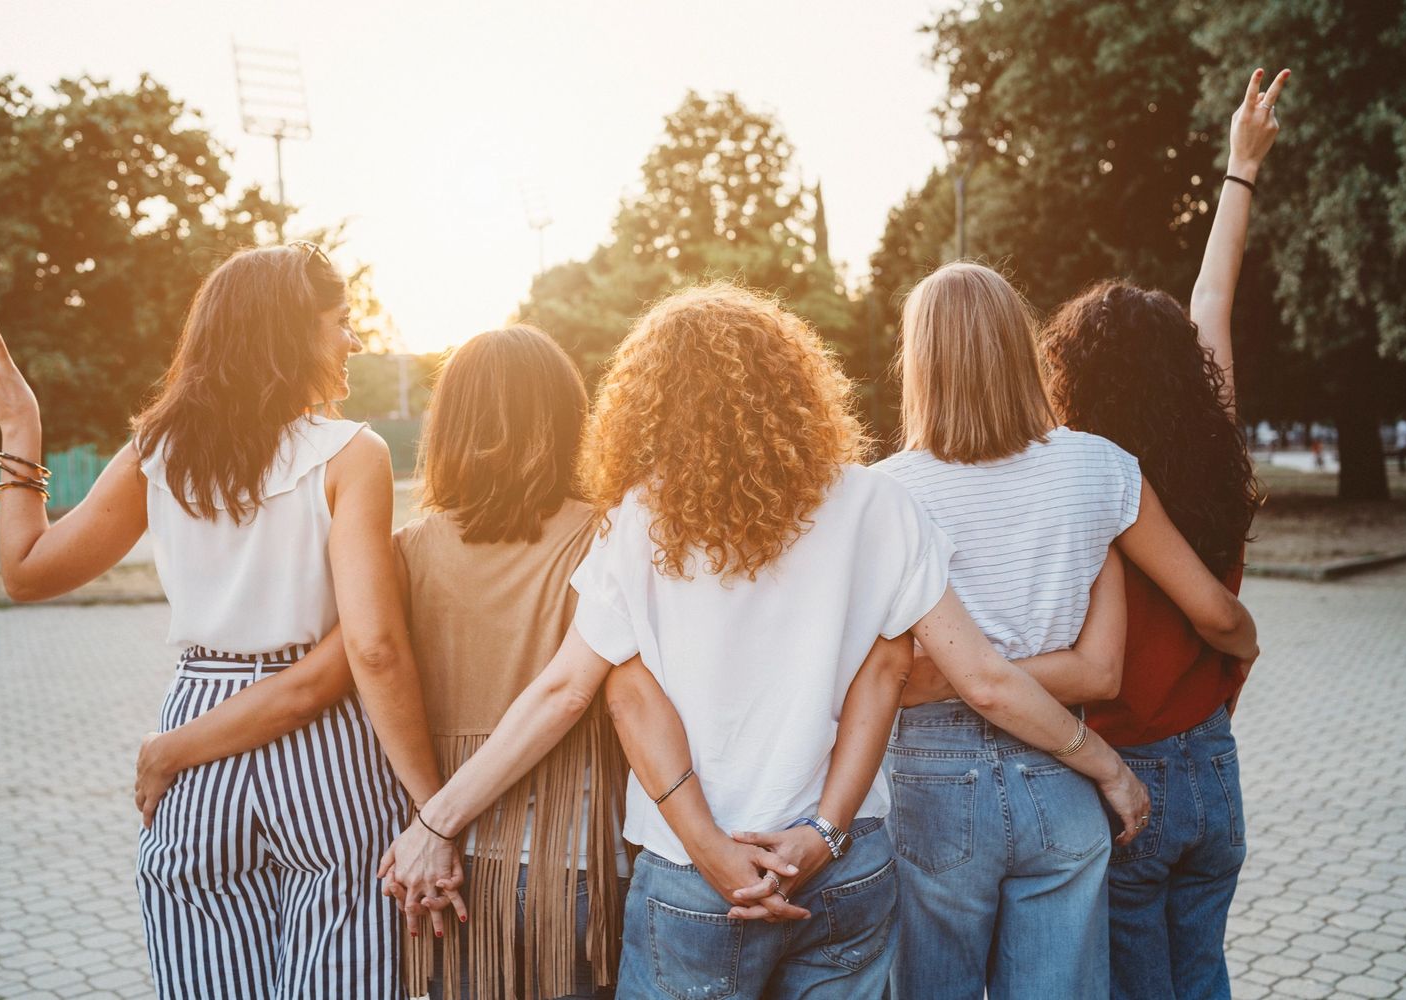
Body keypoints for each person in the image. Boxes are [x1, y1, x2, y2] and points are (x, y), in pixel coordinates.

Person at [379, 284, 1149, 999]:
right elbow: (959, 677)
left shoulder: (635, 521)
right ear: (795, 381)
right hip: (843, 867)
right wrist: (1103, 769)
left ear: (650, 401)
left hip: (691, 877)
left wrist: (438, 820)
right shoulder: (876, 503)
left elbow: (581, 692)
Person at [0, 243, 448, 999]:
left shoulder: (157, 451)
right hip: (328, 758)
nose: (354, 340)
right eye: (339, 323)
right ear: (288, 333)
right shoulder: (352, 453)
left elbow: (26, 571)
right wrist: (432, 806)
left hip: (195, 745)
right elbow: (372, 648)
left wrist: (21, 433)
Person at [136, 325, 632, 1000]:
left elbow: (319, 679)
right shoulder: (607, 540)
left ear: (447, 426)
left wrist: (174, 749)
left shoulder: (404, 555)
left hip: (442, 872)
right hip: (575, 867)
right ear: (570, 420)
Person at [875, 261, 1258, 1000]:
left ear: (917, 360)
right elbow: (1099, 672)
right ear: (1018, 347)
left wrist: (945, 677)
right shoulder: (1100, 470)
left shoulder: (885, 493)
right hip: (1064, 775)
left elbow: (899, 678)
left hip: (932, 785)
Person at [1041, 67, 1288, 1000]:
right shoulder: (1212, 446)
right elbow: (1212, 296)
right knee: (1205, 973)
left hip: (1126, 778)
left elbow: (1216, 620)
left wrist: (1244, 638)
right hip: (1213, 764)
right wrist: (1240, 168)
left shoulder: (1087, 478)